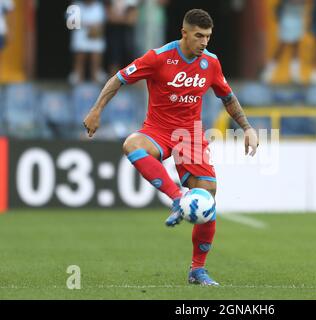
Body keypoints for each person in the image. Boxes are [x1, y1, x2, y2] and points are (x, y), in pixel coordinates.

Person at [83, 9, 259, 286]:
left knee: (208, 198)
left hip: (189, 136)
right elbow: (118, 79)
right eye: (199, 36)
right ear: (184, 33)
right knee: (132, 144)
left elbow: (228, 97)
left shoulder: (211, 63)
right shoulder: (158, 57)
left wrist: (247, 128)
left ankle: (197, 270)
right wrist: (96, 111)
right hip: (158, 129)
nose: (204, 42)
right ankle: (178, 197)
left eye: (208, 37)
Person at [261, 0, 305, 84]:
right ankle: (268, 73)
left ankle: (295, 75)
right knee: (281, 47)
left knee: (296, 47)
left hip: (298, 18)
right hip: (287, 18)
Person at [68, 0, 107, 85]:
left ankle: (97, 87)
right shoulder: (75, 5)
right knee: (79, 63)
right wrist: (88, 25)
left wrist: (92, 27)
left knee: (95, 64)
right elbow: (71, 24)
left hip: (95, 38)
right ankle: (78, 86)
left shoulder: (99, 6)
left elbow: (102, 24)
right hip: (80, 38)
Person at [105, 0, 139, 76]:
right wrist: (125, 18)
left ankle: (132, 79)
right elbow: (110, 18)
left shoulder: (131, 2)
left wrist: (117, 17)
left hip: (127, 33)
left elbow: (131, 20)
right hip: (114, 33)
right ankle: (113, 81)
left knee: (130, 54)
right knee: (114, 55)